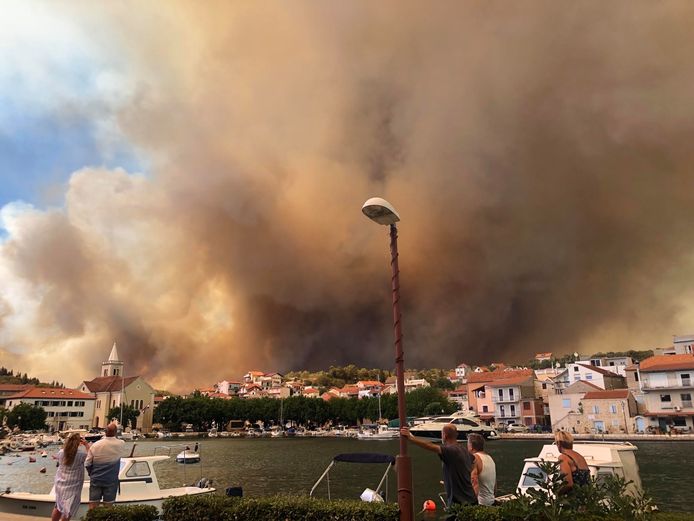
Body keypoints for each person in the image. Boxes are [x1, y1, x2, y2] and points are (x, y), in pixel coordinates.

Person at [401, 425, 477, 508]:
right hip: (471, 499)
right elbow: (474, 461)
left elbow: (430, 446)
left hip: (459, 503)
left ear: (444, 435)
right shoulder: (463, 450)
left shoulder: (450, 450)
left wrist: (411, 438)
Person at [86, 423, 125, 509]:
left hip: (96, 478)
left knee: (93, 505)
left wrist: (91, 473)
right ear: (115, 432)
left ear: (105, 431)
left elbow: (87, 463)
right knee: (108, 506)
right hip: (111, 479)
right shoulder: (121, 444)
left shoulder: (95, 445)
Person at [51, 432, 89, 521]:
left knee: (58, 506)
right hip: (73, 485)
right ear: (79, 442)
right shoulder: (81, 455)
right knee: (68, 510)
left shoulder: (61, 452)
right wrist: (86, 445)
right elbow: (91, 457)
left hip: (60, 482)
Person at [467, 433, 496, 506]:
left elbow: (474, 482)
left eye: (468, 443)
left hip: (481, 503)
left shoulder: (474, 458)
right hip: (491, 501)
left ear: (471, 446)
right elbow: (495, 484)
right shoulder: (490, 458)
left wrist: (471, 506)